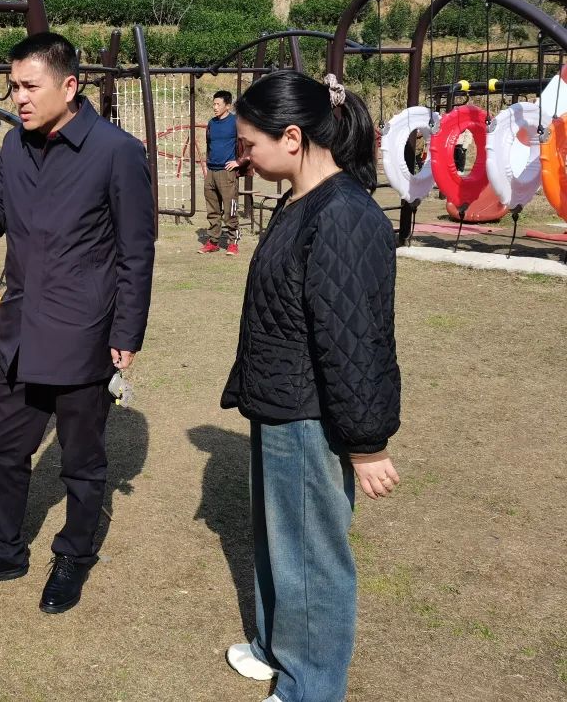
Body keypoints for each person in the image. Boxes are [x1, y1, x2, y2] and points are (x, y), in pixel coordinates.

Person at [0, 32, 155, 614]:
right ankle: (1, 549)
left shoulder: (116, 152)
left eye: (30, 86)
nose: (19, 98)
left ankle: (74, 555)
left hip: (83, 333)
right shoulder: (16, 144)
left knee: (80, 462)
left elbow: (137, 251)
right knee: (4, 449)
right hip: (17, 328)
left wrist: (126, 334)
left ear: (70, 85)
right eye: (14, 86)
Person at [219, 70, 402, 702]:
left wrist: (366, 443)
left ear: (292, 138)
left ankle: (312, 689)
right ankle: (276, 647)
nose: (242, 157)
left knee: (311, 558)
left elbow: (354, 340)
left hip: (310, 415)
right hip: (279, 401)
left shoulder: (344, 216)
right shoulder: (300, 201)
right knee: (279, 543)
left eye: (249, 144)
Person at [198, 90, 243, 256]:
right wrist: (208, 163)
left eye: (218, 104)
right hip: (211, 171)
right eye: (214, 104)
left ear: (228, 106)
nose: (215, 107)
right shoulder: (212, 123)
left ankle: (233, 242)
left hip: (227, 172)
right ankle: (213, 242)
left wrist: (239, 162)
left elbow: (248, 143)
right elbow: (209, 144)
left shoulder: (236, 122)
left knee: (230, 210)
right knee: (212, 210)